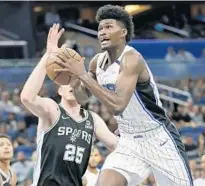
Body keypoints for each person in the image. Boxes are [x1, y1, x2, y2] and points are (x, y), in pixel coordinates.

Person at [54, 4, 194, 186]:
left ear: (123, 33)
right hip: (129, 141)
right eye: (100, 28)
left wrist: (81, 75)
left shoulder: (132, 59)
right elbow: (82, 98)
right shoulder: (97, 62)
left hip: (158, 139)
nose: (102, 32)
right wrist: (74, 81)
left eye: (109, 27)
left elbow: (118, 105)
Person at [20, 23, 118, 186]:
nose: (72, 84)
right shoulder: (52, 109)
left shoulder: (92, 119)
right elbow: (27, 97)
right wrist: (48, 55)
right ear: (59, 90)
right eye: (67, 80)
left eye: (75, 79)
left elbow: (117, 146)